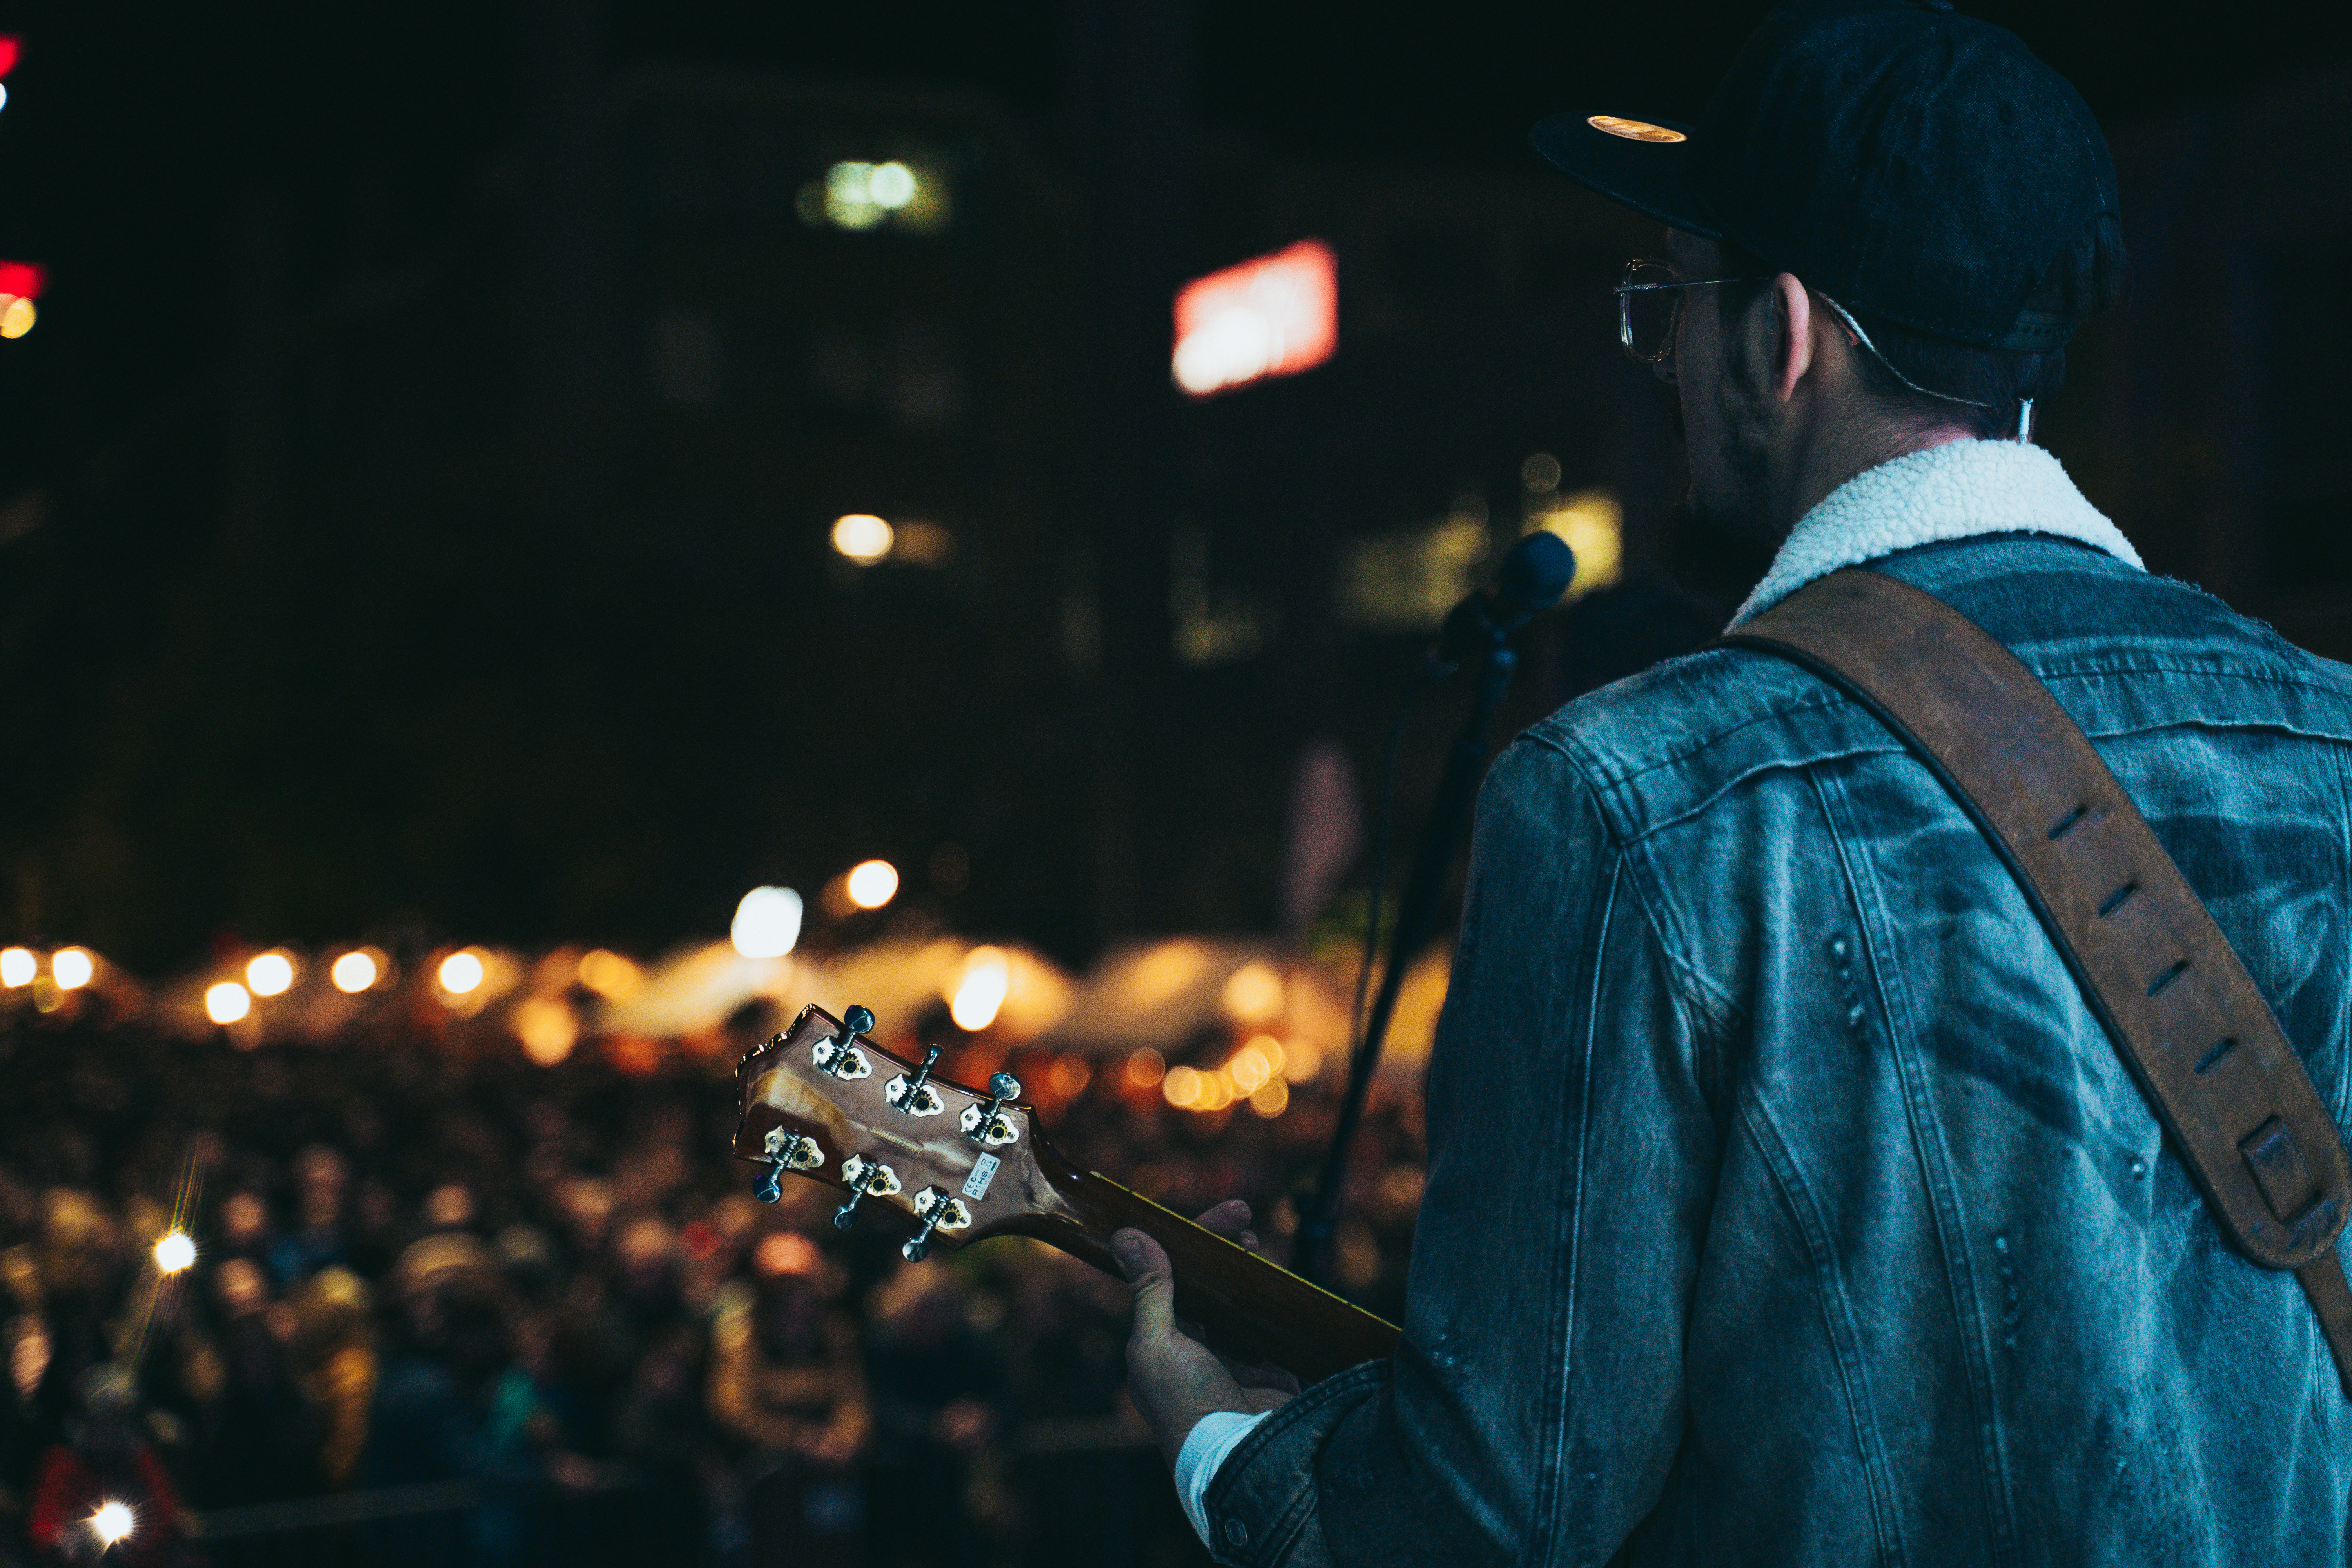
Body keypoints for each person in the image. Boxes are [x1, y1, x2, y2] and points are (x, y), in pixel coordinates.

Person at [1112, 3, 2352, 1563]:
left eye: (1669, 311)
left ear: (1779, 335)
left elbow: (1501, 1508)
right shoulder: (2334, 737)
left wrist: (1225, 1448)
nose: (1670, 365)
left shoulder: (1627, 797)